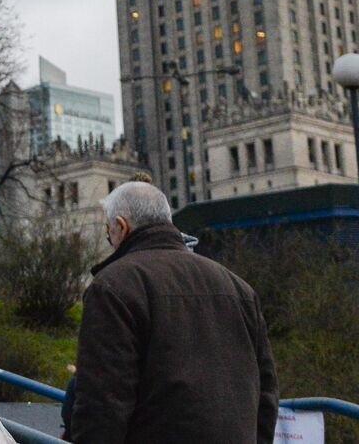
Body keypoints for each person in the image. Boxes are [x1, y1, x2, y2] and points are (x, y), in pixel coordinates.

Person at [70, 181, 278, 444]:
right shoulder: (239, 288)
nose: (110, 241)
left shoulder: (113, 286)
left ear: (122, 227)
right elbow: (267, 394)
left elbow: (102, 405)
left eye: (108, 233)